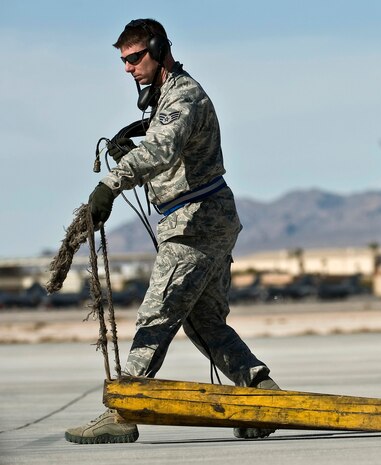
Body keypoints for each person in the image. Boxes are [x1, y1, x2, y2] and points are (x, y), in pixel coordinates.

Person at [65, 18, 280, 444]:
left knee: (156, 316)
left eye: (135, 58)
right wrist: (139, 138)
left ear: (159, 49)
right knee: (205, 323)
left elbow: (164, 148)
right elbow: (166, 146)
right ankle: (262, 394)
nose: (128, 68)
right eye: (123, 61)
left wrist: (109, 185)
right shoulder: (165, 102)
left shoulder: (184, 96)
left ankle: (123, 411)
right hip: (204, 219)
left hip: (195, 225)